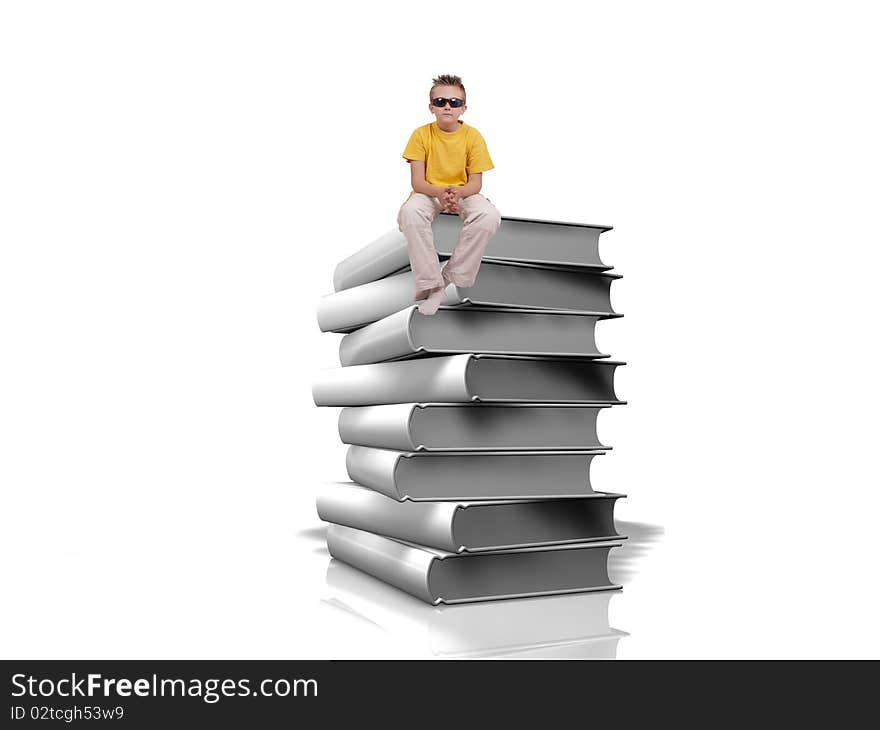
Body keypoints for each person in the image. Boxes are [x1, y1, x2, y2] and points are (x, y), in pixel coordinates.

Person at [398, 74, 502, 315]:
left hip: (463, 192)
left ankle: (447, 279)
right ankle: (431, 285)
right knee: (410, 213)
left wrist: (456, 194)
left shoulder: (473, 137)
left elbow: (475, 183)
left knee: (488, 216)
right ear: (431, 107)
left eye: (454, 103)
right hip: (429, 191)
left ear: (463, 108)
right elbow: (418, 181)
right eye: (441, 101)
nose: (447, 106)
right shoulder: (420, 135)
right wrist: (440, 193)